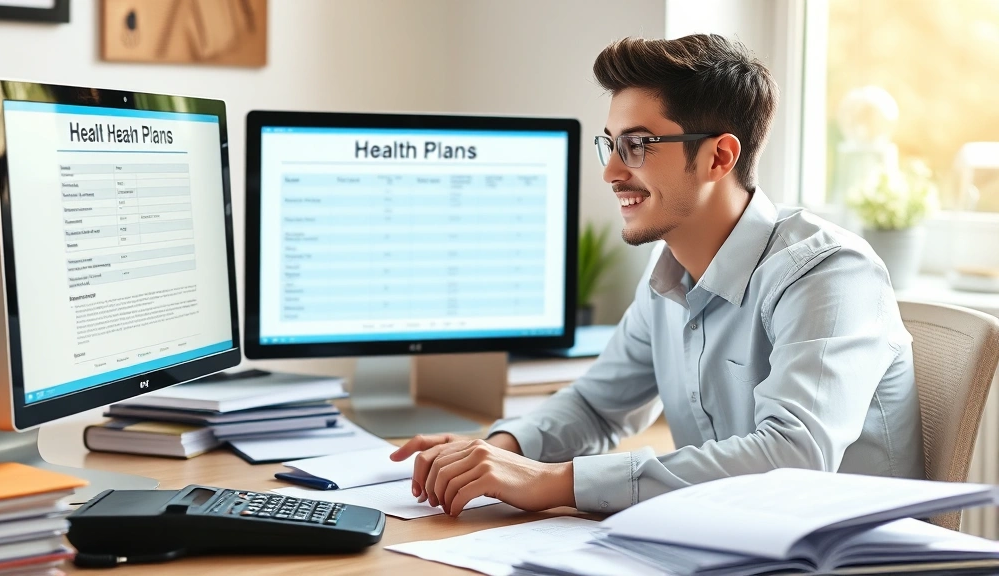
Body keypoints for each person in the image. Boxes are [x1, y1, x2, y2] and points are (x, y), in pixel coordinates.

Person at [390, 33, 925, 516]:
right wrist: (497, 451)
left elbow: (794, 457)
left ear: (719, 157)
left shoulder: (829, 273)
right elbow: (597, 406)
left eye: (638, 145)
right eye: (611, 143)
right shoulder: (670, 269)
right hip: (724, 540)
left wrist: (556, 481)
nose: (611, 171)